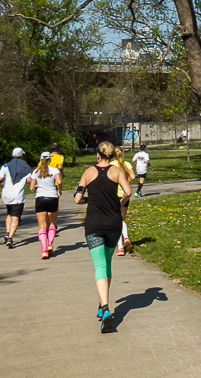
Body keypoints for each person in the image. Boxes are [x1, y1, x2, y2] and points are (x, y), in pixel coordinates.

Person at [75, 141, 132, 333]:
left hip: (94, 225)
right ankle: (102, 305)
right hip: (113, 223)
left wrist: (89, 199)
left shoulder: (88, 173)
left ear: (98, 155)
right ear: (111, 155)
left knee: (99, 266)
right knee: (107, 264)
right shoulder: (117, 172)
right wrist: (119, 203)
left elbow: (77, 199)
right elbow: (128, 192)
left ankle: (106, 309)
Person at [28, 151, 62, 259]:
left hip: (40, 198)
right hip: (53, 197)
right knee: (52, 223)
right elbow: (59, 182)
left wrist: (38, 185)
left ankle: (44, 250)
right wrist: (59, 191)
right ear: (50, 159)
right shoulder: (54, 170)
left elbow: (31, 188)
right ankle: (50, 245)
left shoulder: (36, 171)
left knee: (42, 225)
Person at [0, 147, 31, 248]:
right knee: (16, 217)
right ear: (21, 155)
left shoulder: (5, 165)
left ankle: (7, 233)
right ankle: (10, 238)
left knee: (9, 214)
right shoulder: (25, 166)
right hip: (18, 195)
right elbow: (29, 180)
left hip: (6, 194)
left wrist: (2, 183)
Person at [111, 146, 135, 256]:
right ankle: (126, 237)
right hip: (125, 194)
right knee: (122, 219)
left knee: (114, 222)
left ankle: (120, 247)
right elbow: (133, 176)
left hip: (114, 195)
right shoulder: (127, 164)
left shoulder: (111, 165)